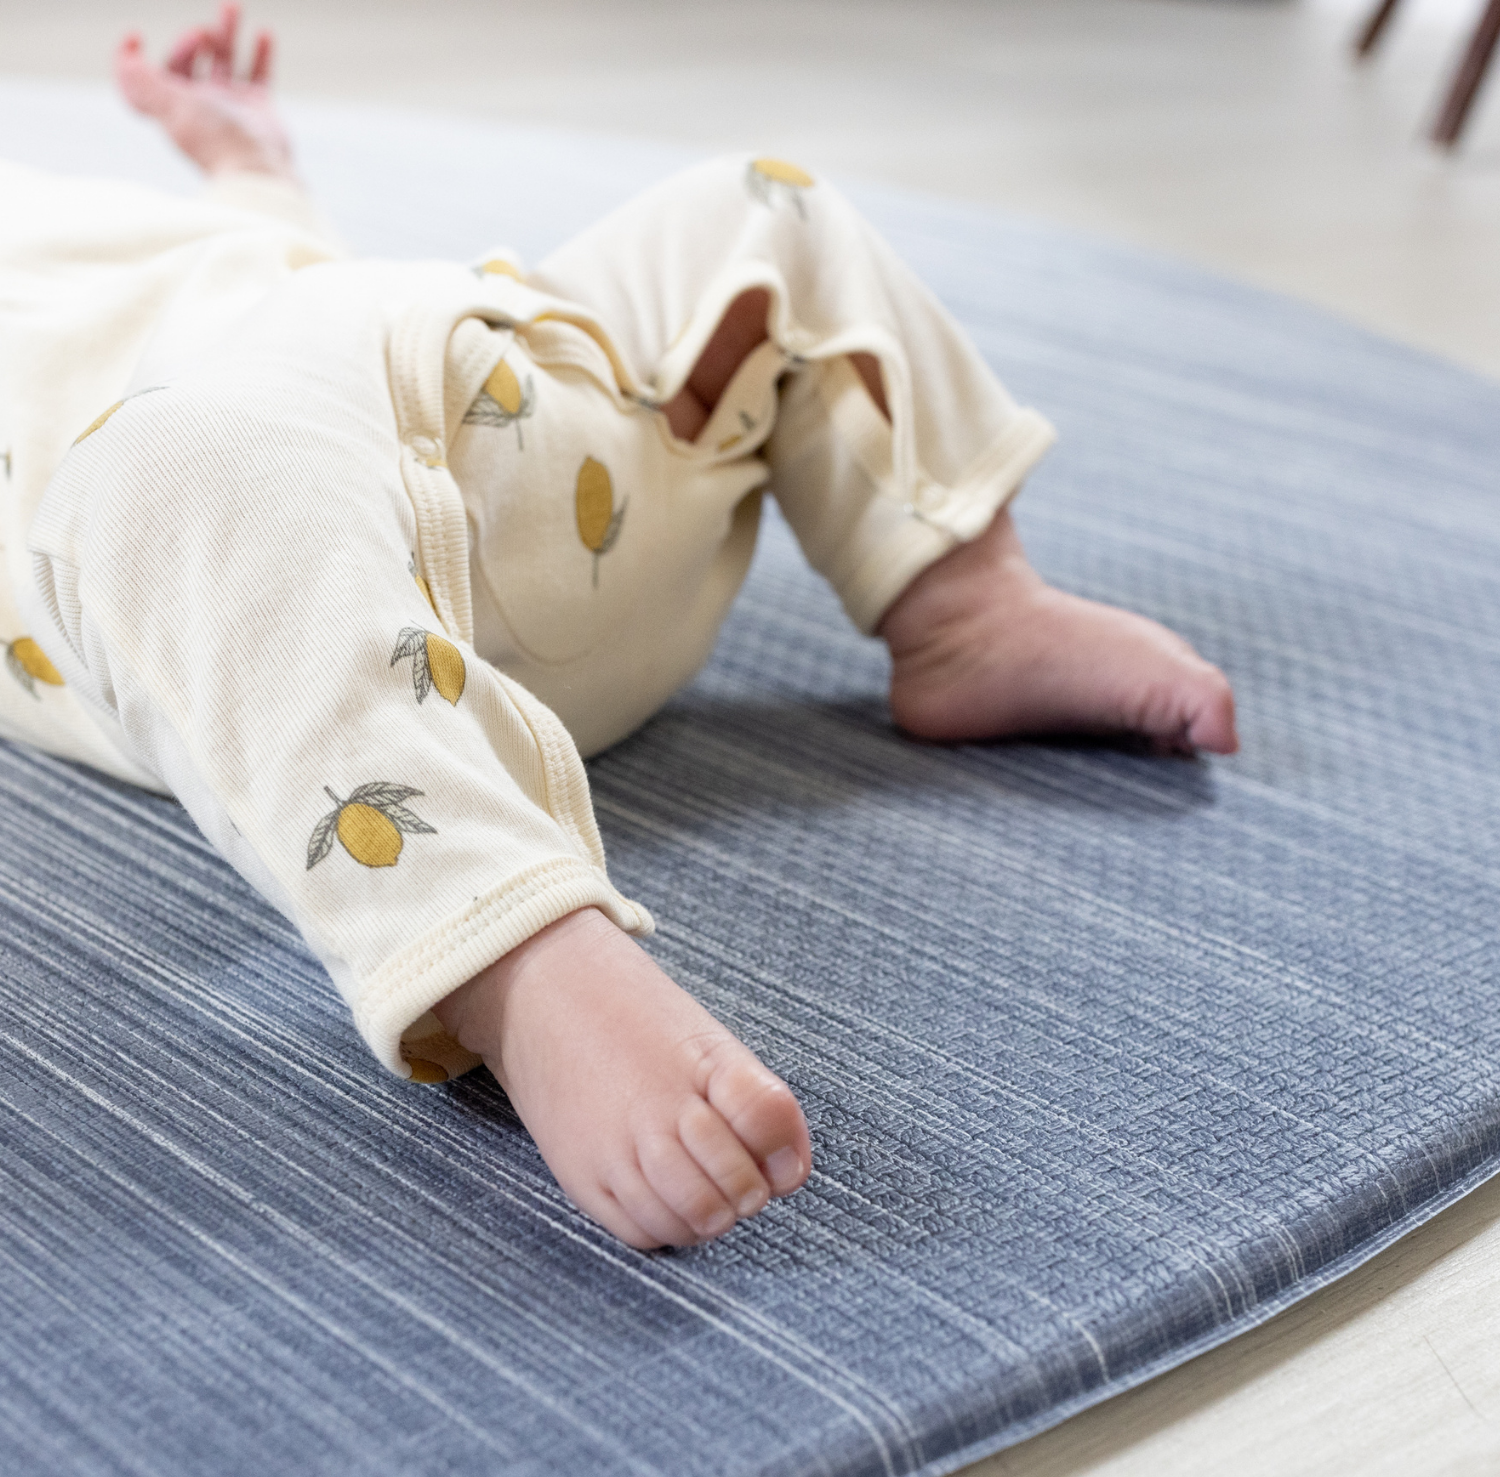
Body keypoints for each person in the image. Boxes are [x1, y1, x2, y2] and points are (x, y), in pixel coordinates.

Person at [0, 6, 1237, 1251]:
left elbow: (253, 270)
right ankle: (510, 953)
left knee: (756, 207)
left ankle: (963, 599)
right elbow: (205, 446)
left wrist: (247, 162)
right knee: (162, 467)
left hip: (500, 402)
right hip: (311, 626)